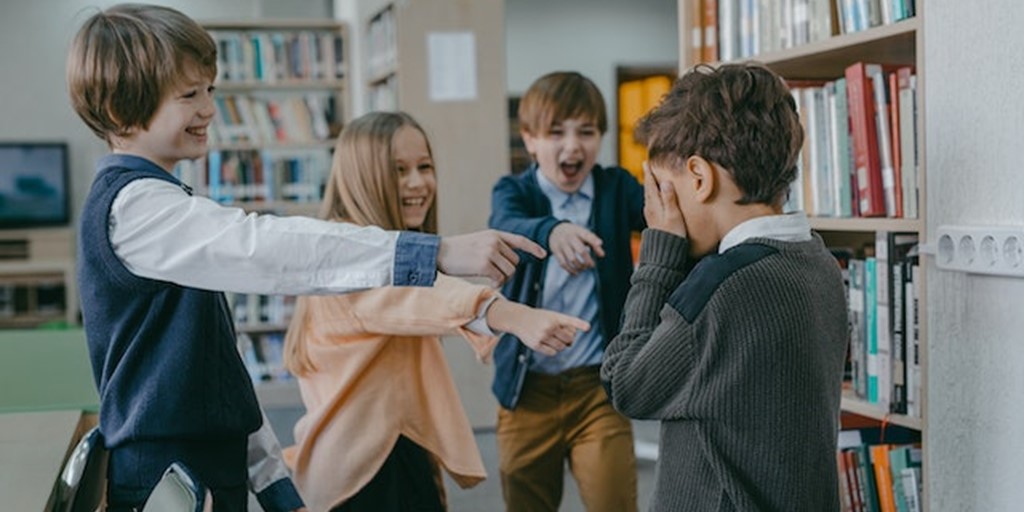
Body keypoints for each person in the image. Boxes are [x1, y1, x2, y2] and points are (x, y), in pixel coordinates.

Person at [66, 5, 545, 511]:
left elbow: (219, 375)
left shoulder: (167, 203)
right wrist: (435, 251)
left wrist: (273, 484)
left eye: (210, 90)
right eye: (190, 95)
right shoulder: (135, 207)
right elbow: (266, 249)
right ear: (122, 111)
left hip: (204, 472)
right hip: (167, 477)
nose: (209, 109)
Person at [281, 111, 590, 512]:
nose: (417, 182)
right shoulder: (351, 258)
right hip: (362, 472)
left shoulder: (372, 248)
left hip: (392, 450)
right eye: (398, 170)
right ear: (362, 177)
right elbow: (419, 296)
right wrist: (514, 316)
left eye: (424, 167)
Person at [600, 63, 850, 511]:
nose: (656, 209)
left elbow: (626, 383)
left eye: (660, 189)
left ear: (699, 177)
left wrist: (658, 252)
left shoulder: (722, 288)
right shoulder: (818, 262)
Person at [488, 71, 645, 512]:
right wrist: (552, 231)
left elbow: (664, 219)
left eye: (586, 132)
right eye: (556, 133)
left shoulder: (616, 188)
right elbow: (505, 223)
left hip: (596, 388)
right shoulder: (514, 191)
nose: (572, 147)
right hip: (527, 391)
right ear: (530, 139)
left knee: (615, 502)